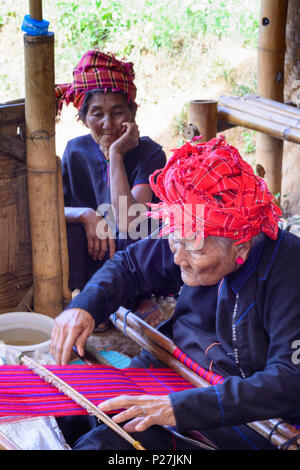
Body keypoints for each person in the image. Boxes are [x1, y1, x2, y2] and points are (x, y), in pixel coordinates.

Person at [50, 136, 300, 450]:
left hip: (241, 423)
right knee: (62, 410)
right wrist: (84, 306)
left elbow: (289, 380)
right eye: (174, 239)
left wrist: (175, 408)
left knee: (104, 446)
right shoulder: (192, 232)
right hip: (169, 369)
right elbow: (132, 264)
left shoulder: (289, 272)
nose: (178, 257)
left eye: (191, 248)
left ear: (242, 246)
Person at [55, 50, 166, 292]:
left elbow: (130, 220)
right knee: (68, 227)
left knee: (131, 232)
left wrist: (115, 154)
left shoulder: (150, 153)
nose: (108, 124)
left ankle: (131, 297)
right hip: (94, 252)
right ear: (84, 118)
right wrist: (85, 215)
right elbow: (52, 209)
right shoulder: (75, 151)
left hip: (132, 253)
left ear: (131, 115)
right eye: (97, 114)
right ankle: (81, 294)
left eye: (118, 113)